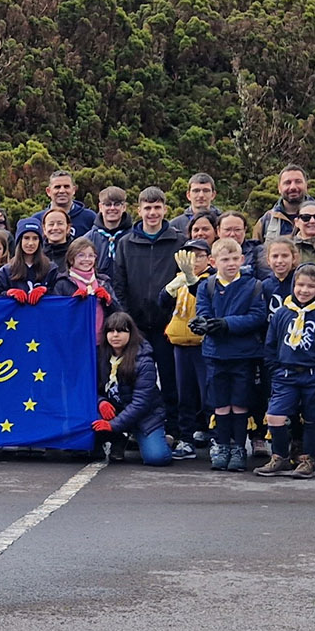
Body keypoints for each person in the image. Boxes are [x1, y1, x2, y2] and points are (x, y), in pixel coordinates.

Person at [112, 187, 187, 443]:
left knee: (170, 379)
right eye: (147, 207)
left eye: (157, 207)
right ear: (139, 209)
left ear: (165, 209)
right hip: (137, 326)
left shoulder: (179, 241)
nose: (152, 213)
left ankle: (173, 430)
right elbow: (119, 285)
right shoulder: (125, 243)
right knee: (132, 379)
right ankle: (134, 430)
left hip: (168, 325)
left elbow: (184, 283)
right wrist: (127, 322)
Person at [256, 264, 315, 478]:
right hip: (286, 375)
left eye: (310, 287)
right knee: (275, 415)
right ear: (293, 285)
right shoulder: (282, 314)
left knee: (312, 418)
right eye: (300, 285)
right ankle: (280, 457)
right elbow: (271, 344)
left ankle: (307, 459)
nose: (304, 290)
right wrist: (275, 369)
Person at [193, 237, 270, 473]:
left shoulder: (254, 286)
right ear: (214, 262)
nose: (230, 263)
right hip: (215, 355)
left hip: (243, 355)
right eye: (225, 259)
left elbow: (257, 316)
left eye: (235, 258)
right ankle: (222, 445)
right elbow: (202, 311)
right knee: (220, 404)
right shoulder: (206, 286)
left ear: (242, 259)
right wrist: (201, 324)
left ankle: (239, 448)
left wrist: (226, 324)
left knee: (239, 403)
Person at [92, 312, 170, 466]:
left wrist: (113, 425)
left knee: (156, 458)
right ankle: (118, 438)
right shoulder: (99, 356)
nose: (115, 335)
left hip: (144, 417)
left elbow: (141, 403)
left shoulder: (144, 360)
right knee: (84, 431)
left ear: (131, 333)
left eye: (121, 330)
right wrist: (100, 401)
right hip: (114, 411)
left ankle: (163, 439)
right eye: (110, 331)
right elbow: (88, 389)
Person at [161, 238, 213, 459]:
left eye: (199, 256)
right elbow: (161, 302)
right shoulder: (180, 278)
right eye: (189, 255)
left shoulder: (211, 280)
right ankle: (186, 438)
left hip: (203, 346)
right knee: (185, 395)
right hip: (180, 345)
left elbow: (204, 295)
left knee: (208, 394)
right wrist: (170, 288)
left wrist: (191, 281)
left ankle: (216, 436)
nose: (193, 260)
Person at [254, 166, 315, 244]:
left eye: (298, 182)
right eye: (287, 182)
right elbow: (255, 257)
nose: (293, 187)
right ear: (279, 188)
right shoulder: (266, 221)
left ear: (306, 185)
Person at [0, 219, 59, 301]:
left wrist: (46, 290)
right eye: (26, 238)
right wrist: (7, 293)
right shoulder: (6, 271)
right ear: (19, 240)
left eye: (35, 238)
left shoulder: (50, 269)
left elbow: (59, 295)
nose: (31, 243)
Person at [83, 187, 132, 278]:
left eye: (117, 204)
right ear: (100, 207)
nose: (112, 208)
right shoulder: (88, 239)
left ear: (124, 207)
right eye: (108, 204)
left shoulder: (134, 237)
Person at [33, 170, 97, 238]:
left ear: (74, 190)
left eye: (66, 187)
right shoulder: (37, 220)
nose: (62, 191)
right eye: (57, 187)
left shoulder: (90, 218)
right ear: (48, 191)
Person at [39, 207, 73, 274]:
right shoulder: (38, 255)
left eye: (60, 223)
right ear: (44, 229)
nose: (55, 228)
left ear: (68, 228)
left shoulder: (76, 253)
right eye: (51, 224)